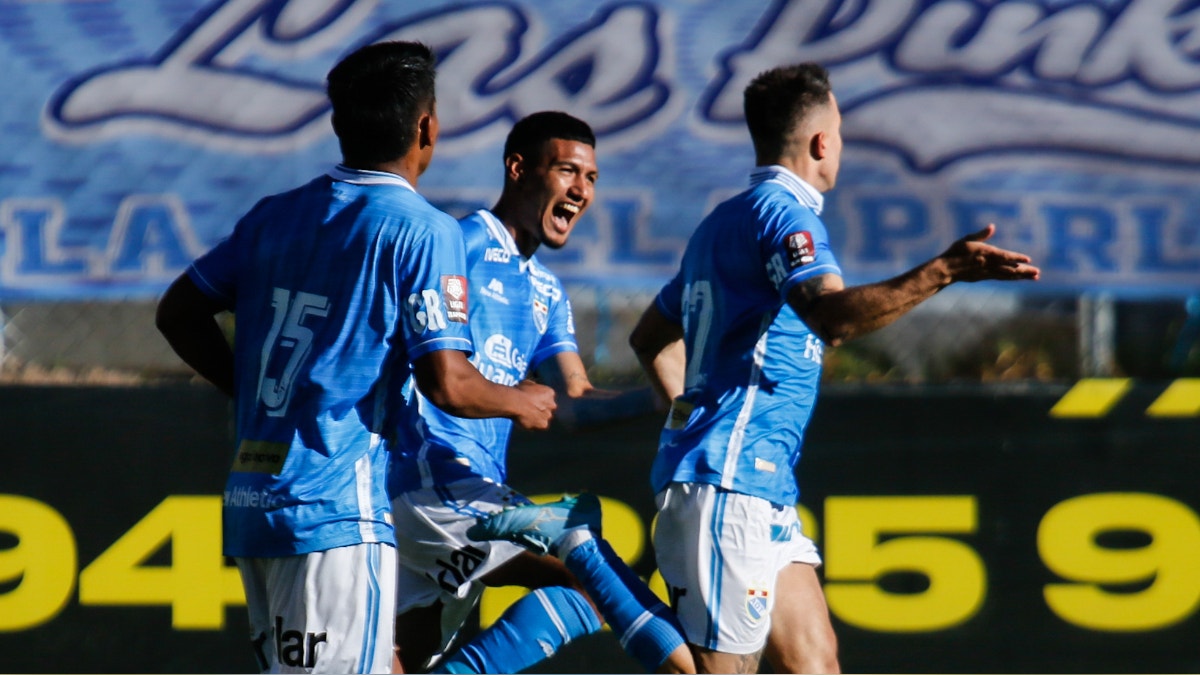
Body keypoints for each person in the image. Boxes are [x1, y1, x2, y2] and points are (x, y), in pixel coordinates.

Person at [620, 62, 1042, 673]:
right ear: (822, 142)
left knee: (817, 665)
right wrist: (944, 270)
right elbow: (832, 318)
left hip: (761, 490)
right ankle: (598, 586)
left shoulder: (720, 223)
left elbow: (650, 337)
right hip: (730, 486)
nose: (840, 143)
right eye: (839, 131)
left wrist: (688, 413)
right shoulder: (785, 215)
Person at [154, 41, 555, 674]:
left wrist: (257, 395)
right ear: (427, 128)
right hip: (334, 508)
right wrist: (521, 399)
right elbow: (448, 383)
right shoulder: (422, 229)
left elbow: (177, 311)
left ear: (339, 124)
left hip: (256, 505)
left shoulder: (274, 217)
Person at [386, 111, 693, 674]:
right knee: (594, 579)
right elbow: (424, 366)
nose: (581, 190)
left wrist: (661, 401)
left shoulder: (547, 292)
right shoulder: (460, 244)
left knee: (402, 661)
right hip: (431, 481)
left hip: (468, 494)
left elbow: (572, 399)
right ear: (519, 169)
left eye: (592, 178)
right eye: (567, 171)